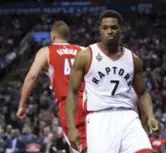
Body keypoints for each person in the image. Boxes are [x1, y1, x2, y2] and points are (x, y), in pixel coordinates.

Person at [66, 10, 159, 153]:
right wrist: (71, 128)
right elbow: (72, 93)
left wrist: (151, 116)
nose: (109, 31)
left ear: (120, 28)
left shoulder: (134, 59)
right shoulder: (85, 56)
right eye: (105, 28)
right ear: (100, 29)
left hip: (128, 116)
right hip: (99, 118)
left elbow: (142, 93)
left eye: (114, 27)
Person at [16, 21, 86, 153]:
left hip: (70, 104)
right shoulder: (83, 50)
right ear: (67, 36)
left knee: (78, 147)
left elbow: (31, 77)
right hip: (91, 102)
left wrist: (22, 104)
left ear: (53, 36)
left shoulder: (46, 51)